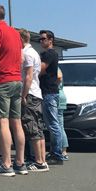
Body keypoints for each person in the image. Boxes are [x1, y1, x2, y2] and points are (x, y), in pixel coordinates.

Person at [0, 4, 26, 176]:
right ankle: (20, 162)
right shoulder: (16, 33)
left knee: (2, 122)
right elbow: (22, 58)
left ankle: (6, 163)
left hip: (2, 80)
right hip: (17, 80)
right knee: (16, 122)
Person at [19, 29, 49, 172]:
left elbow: (28, 76)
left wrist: (23, 95)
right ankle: (42, 159)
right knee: (38, 127)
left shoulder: (27, 53)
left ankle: (38, 161)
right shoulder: (34, 53)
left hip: (30, 93)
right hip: (36, 93)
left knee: (31, 126)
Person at [39, 29, 66, 165]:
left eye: (43, 39)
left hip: (49, 92)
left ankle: (56, 153)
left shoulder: (50, 54)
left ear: (51, 40)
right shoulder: (48, 54)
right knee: (52, 124)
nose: (41, 41)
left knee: (53, 124)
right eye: (40, 39)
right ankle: (56, 152)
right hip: (49, 92)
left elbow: (41, 69)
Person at [57, 67, 69, 160]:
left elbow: (59, 77)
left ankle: (62, 151)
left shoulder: (56, 69)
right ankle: (64, 151)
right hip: (61, 96)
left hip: (57, 96)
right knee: (60, 126)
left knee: (58, 126)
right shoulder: (59, 68)